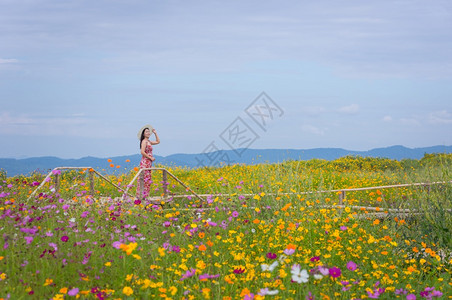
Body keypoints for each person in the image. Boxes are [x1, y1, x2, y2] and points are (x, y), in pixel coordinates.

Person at [136, 125, 160, 200]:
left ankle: (145, 195)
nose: (148, 133)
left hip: (149, 162)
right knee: (144, 178)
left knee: (148, 178)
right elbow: (142, 152)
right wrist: (150, 158)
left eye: (148, 131)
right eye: (146, 132)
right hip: (145, 161)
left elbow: (158, 141)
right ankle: (141, 195)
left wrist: (155, 133)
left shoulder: (148, 141)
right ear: (143, 134)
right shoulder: (144, 141)